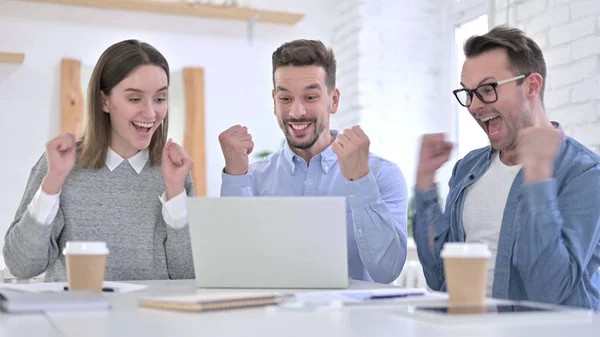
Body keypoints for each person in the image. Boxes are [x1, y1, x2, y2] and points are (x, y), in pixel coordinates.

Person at [413, 25, 600, 309]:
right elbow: (440, 279)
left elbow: (549, 291)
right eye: (469, 93)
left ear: (532, 86)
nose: (474, 106)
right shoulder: (467, 169)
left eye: (487, 90)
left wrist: (537, 176)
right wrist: (425, 180)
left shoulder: (583, 173)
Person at [218, 39, 408, 284]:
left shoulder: (382, 174)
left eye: (310, 97)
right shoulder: (250, 179)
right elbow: (231, 269)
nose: (297, 112)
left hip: (356, 321)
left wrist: (360, 182)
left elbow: (387, 272)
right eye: (286, 99)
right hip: (276, 320)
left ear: (334, 100)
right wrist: (234, 179)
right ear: (274, 102)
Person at [3, 40, 195, 282]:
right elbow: (22, 266)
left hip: (151, 317)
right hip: (75, 315)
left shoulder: (175, 173)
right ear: (104, 101)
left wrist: (175, 193)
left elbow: (187, 276)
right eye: (135, 99)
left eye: (160, 99)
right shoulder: (60, 166)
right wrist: (52, 184)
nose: (150, 113)